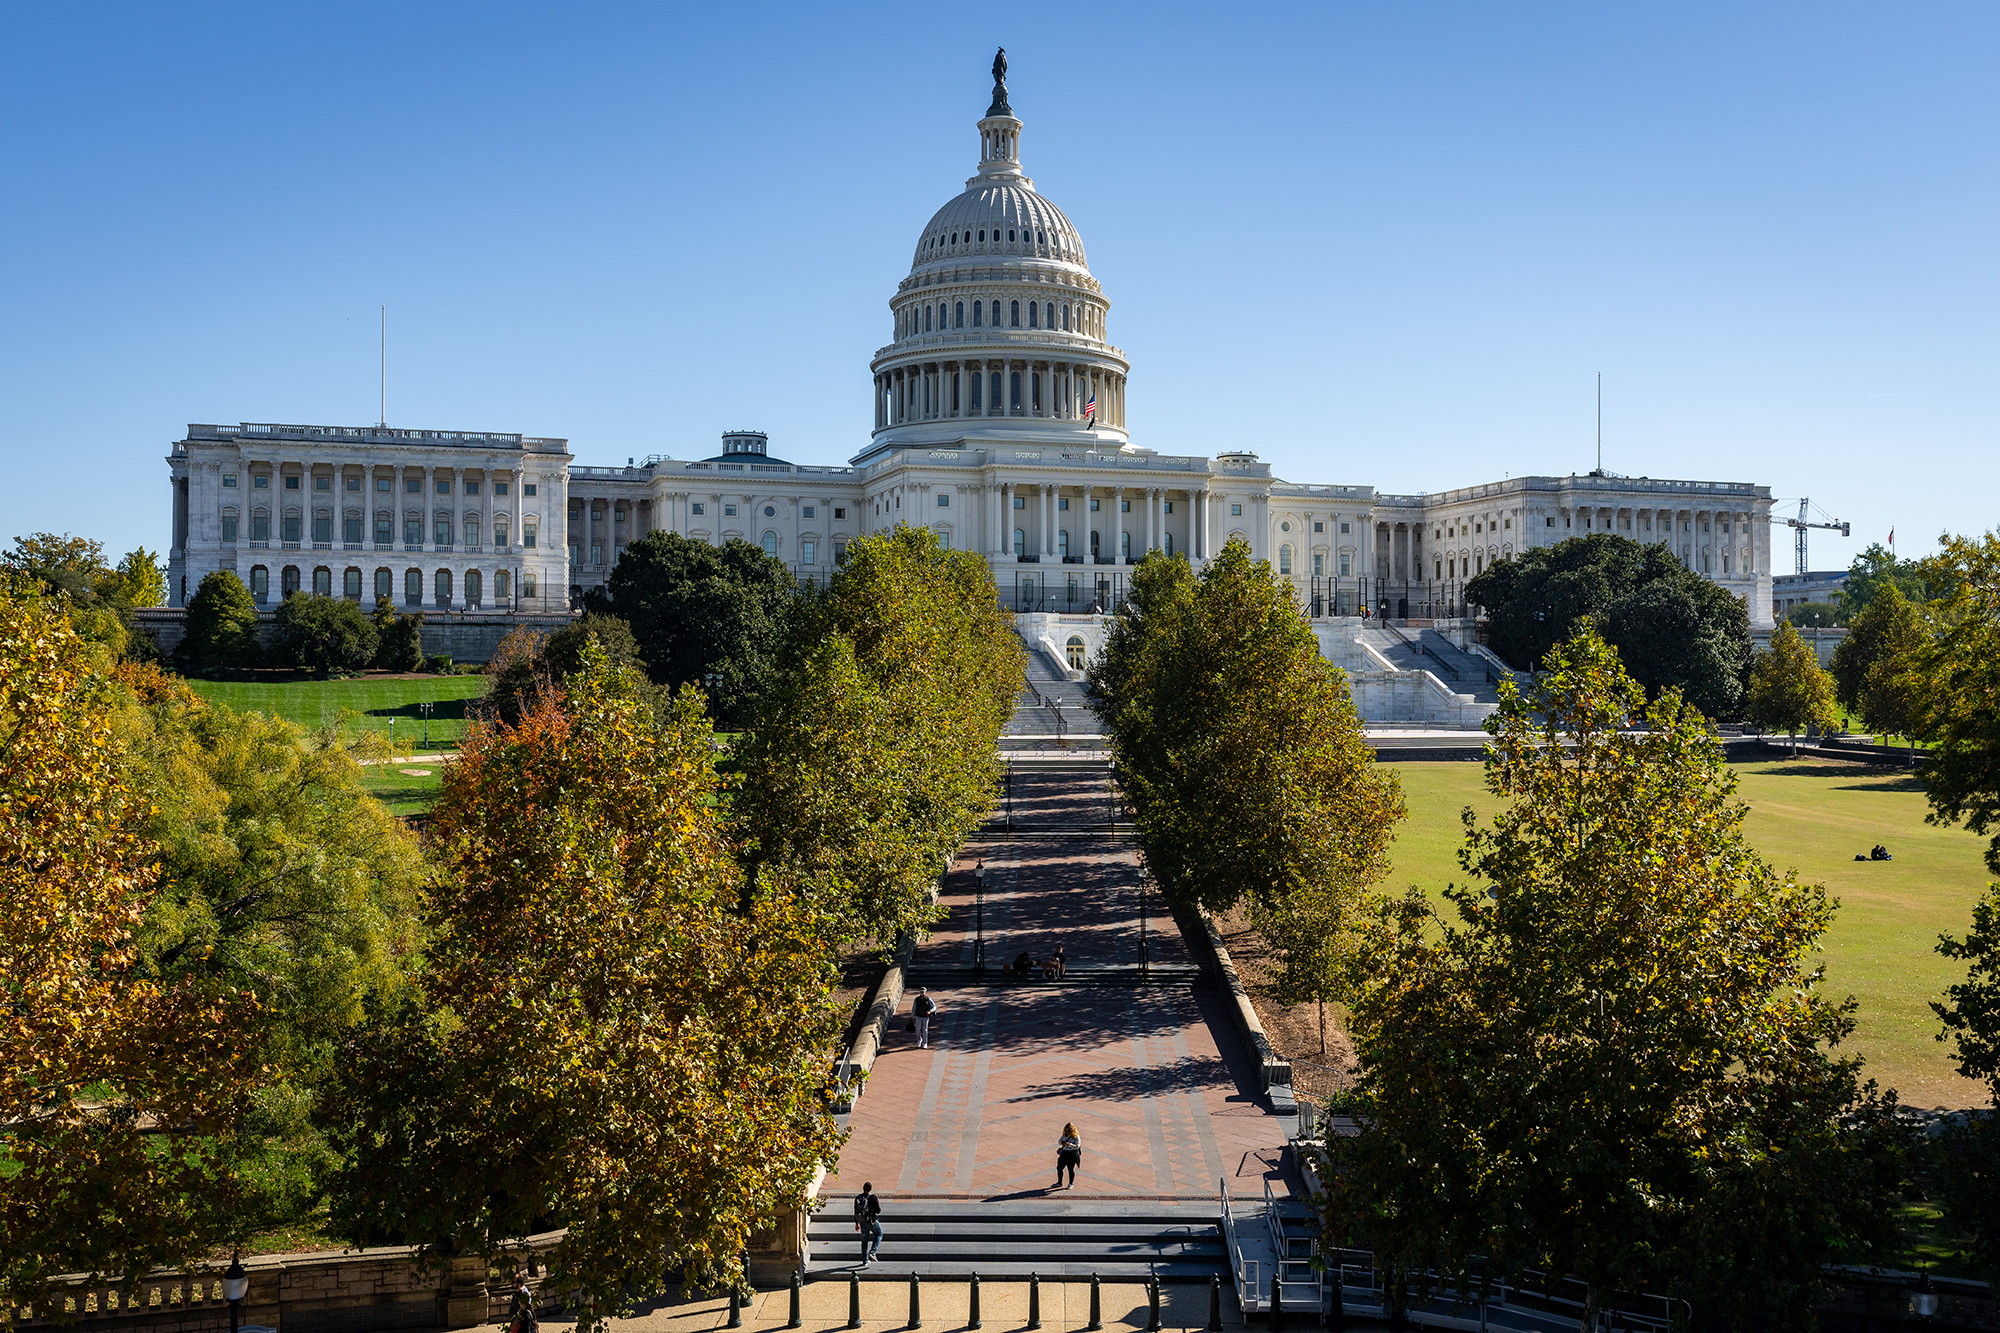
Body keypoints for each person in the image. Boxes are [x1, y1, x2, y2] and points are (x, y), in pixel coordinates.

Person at [854, 1182, 883, 1263]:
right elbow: (878, 1211)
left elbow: (856, 1211)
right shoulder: (873, 1197)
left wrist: (857, 1223)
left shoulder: (858, 1198)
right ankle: (873, 1252)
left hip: (862, 1222)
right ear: (871, 1189)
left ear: (863, 1189)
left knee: (864, 1241)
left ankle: (865, 1260)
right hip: (872, 1222)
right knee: (879, 1234)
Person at [1054, 1123, 1082, 1189]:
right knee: (1059, 1168)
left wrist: (1069, 1144)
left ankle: (1071, 1183)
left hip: (1072, 1154)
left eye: (1069, 1131)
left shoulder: (1076, 1137)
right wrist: (1062, 1143)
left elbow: (1077, 1146)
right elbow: (1059, 1141)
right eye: (1066, 1131)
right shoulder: (1064, 1135)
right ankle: (1059, 1182)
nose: (1067, 1132)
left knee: (1070, 1169)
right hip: (1064, 1153)